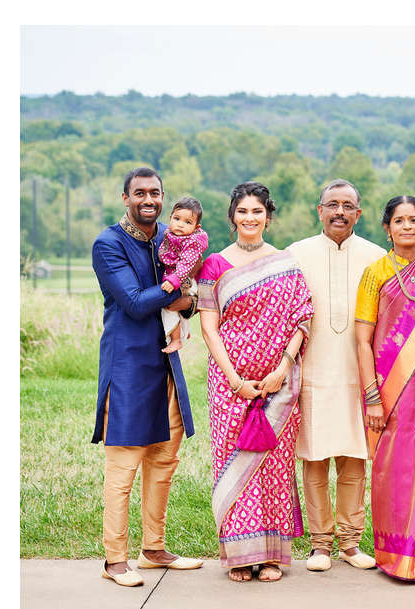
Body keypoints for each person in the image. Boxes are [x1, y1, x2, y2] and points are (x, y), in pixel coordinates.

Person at [91, 166, 202, 587]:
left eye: (155, 193)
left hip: (166, 366)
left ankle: (153, 549)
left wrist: (187, 302)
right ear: (126, 198)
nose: (149, 200)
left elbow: (185, 302)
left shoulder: (166, 239)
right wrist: (182, 293)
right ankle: (114, 560)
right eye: (140, 193)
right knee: (124, 469)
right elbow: (136, 304)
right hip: (129, 369)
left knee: (164, 461)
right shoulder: (109, 244)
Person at [198, 182, 314, 583]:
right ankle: (239, 556)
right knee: (234, 465)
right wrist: (234, 380)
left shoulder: (286, 262)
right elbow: (210, 329)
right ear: (232, 217)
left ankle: (271, 556)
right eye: (243, 211)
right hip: (230, 385)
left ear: (268, 215)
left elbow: (302, 316)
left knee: (274, 466)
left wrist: (282, 366)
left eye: (257, 212)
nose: (250, 218)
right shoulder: (215, 264)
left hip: (278, 386)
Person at [354, 196, 415, 581]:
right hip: (389, 388)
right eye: (399, 220)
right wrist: (372, 396)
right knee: (393, 468)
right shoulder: (374, 273)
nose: (407, 226)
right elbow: (362, 340)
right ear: (387, 227)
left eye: (414, 220)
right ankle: (395, 555)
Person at [288, 179, 385, 571]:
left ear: (358, 213)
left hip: (360, 376)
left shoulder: (377, 256)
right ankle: (320, 545)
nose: (340, 212)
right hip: (312, 374)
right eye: (332, 205)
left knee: (354, 459)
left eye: (348, 206)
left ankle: (350, 541)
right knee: (313, 459)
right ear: (320, 210)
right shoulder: (296, 254)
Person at [158, 197, 209, 353]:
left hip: (183, 279)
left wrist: (174, 280)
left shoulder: (192, 242)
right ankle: (184, 332)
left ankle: (175, 340)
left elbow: (186, 264)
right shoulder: (171, 235)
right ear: (170, 218)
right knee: (174, 306)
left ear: (196, 227)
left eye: (188, 222)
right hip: (176, 277)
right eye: (177, 219)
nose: (180, 224)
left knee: (168, 307)